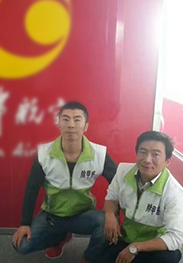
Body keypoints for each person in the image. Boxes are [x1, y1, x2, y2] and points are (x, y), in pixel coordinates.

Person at [13, 101, 117, 263]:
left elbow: (118, 185)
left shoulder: (99, 154)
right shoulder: (44, 153)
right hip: (52, 216)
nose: (71, 125)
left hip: (83, 215)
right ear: (59, 124)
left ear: (86, 126)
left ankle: (89, 258)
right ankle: (59, 238)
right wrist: (24, 223)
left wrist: (112, 213)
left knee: (105, 222)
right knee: (22, 245)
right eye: (66, 119)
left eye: (77, 119)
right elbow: (32, 189)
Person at [100, 131, 183, 263]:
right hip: (125, 239)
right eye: (143, 152)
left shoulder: (173, 192)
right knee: (103, 253)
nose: (147, 159)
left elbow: (176, 237)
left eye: (155, 154)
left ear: (167, 161)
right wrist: (110, 215)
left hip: (154, 247)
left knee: (169, 257)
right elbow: (111, 197)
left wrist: (136, 247)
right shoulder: (123, 171)